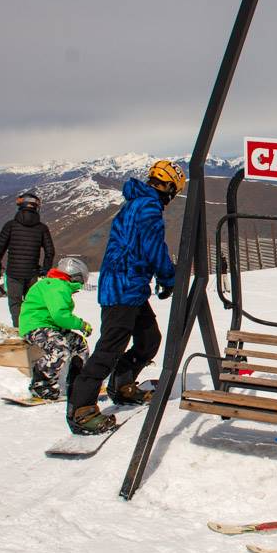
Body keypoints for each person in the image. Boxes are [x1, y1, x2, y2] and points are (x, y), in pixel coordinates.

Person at [65, 160, 185, 434]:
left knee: (149, 339)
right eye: (174, 191)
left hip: (129, 287)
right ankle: (81, 408)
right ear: (169, 187)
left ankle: (122, 384)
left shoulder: (136, 203)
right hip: (123, 288)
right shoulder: (149, 208)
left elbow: (141, 247)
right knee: (110, 348)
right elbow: (154, 248)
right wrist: (169, 277)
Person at [18, 257, 94, 400]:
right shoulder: (57, 286)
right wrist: (81, 324)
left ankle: (78, 380)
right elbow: (60, 315)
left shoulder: (57, 284)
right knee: (60, 349)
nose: (81, 284)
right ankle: (41, 385)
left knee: (79, 344)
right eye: (81, 279)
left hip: (49, 326)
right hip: (36, 326)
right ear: (74, 276)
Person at [0, 192, 55, 327]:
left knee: (15, 304)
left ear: (20, 206)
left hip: (13, 273)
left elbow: (0, 248)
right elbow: (50, 251)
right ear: (36, 207)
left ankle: (19, 329)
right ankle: (32, 330)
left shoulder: (10, 226)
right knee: (31, 304)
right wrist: (45, 269)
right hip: (32, 273)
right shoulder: (42, 228)